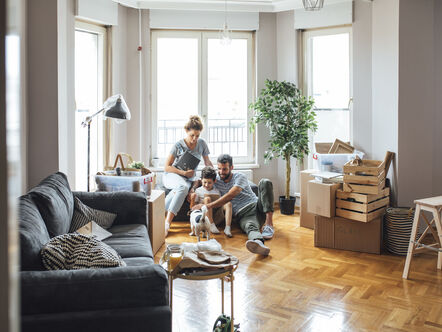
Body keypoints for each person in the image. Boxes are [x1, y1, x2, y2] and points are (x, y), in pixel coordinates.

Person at [192, 154, 274, 255]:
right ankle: (259, 243)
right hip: (243, 215)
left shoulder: (240, 177)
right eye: (219, 169)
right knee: (250, 227)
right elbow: (201, 180)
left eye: (225, 169)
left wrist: (207, 206)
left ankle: (269, 224)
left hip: (257, 205)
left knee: (265, 182)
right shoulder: (216, 179)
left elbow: (231, 195)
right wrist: (193, 189)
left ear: (231, 167)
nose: (221, 172)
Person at [163, 115, 213, 236]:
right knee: (183, 187)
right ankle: (167, 223)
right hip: (172, 175)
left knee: (182, 188)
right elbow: (167, 167)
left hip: (187, 179)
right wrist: (184, 173)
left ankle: (157, 211)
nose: (195, 139)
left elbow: (207, 162)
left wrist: (213, 174)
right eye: (192, 135)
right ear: (186, 131)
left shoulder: (202, 144)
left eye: (197, 135)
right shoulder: (178, 145)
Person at [190, 166, 233, 237]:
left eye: (209, 183)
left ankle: (227, 228)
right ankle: (211, 224)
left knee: (228, 203)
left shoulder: (217, 191)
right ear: (201, 180)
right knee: (207, 199)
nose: (206, 185)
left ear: (214, 181)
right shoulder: (198, 191)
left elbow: (219, 205)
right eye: (204, 182)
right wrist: (193, 199)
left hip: (217, 215)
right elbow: (192, 209)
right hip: (205, 218)